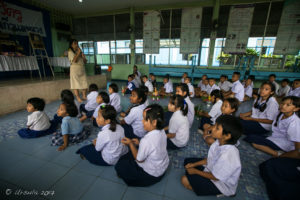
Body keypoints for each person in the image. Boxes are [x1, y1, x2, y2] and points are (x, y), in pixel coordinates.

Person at [181, 115, 242, 197]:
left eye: (217, 128)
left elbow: (216, 177)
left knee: (184, 180)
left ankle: (221, 192)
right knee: (187, 162)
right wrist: (193, 165)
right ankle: (197, 178)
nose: (212, 129)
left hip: (220, 183)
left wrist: (196, 171)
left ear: (227, 136)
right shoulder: (219, 142)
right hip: (212, 169)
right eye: (215, 125)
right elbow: (209, 159)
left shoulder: (227, 156)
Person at [115, 104, 169, 187]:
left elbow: (139, 160)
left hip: (151, 174)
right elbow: (154, 148)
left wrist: (130, 144)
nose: (142, 121)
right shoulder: (162, 132)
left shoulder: (146, 140)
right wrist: (139, 144)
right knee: (128, 155)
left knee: (119, 166)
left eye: (144, 119)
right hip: (162, 168)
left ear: (154, 122)